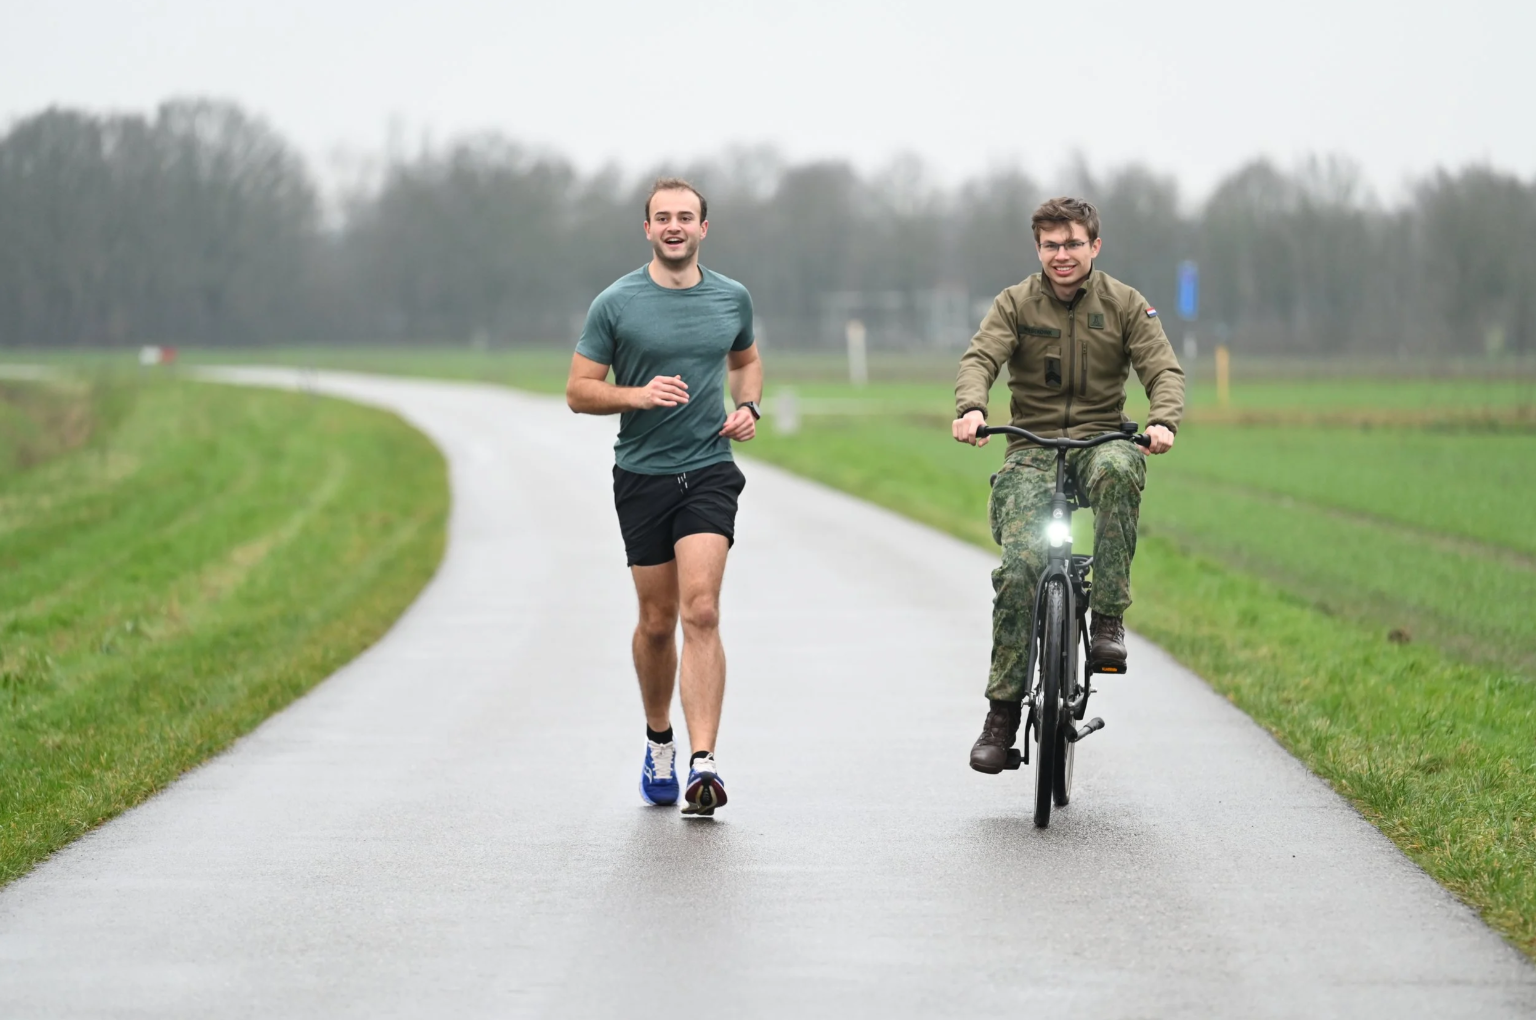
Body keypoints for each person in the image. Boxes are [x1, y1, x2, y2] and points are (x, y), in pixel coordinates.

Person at [952, 196, 1185, 773]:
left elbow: (1162, 368)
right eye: (1051, 245)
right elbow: (980, 358)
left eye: (1073, 244)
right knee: (1020, 567)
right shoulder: (1014, 304)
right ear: (1038, 249)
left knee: (1120, 471)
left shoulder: (1125, 303)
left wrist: (1162, 421)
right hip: (1029, 445)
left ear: (1094, 246)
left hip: (1102, 439)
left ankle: (1106, 618)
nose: (1062, 255)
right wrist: (972, 407)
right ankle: (1002, 714)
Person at [566, 177, 763, 815]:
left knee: (701, 610)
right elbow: (578, 390)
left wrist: (748, 407)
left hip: (709, 469)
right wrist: (638, 395)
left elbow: (745, 361)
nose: (674, 226)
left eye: (685, 216)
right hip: (642, 475)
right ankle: (660, 741)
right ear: (647, 229)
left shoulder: (731, 297)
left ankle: (705, 762)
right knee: (657, 622)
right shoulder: (616, 303)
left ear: (703, 228)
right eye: (662, 217)